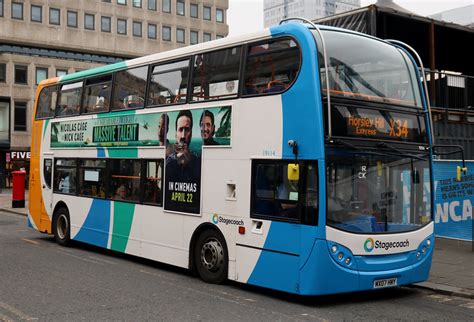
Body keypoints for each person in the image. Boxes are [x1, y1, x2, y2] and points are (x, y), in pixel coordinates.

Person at [165, 110, 201, 213]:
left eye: (187, 129)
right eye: (180, 130)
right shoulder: (168, 162)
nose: (183, 136)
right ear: (175, 133)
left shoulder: (197, 161)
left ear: (191, 133)